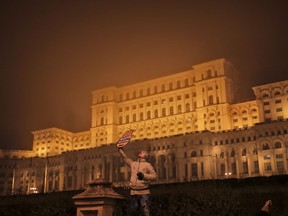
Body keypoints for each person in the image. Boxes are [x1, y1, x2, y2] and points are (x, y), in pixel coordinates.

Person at [118, 147, 157, 216]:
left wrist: (143, 176)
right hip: (133, 192)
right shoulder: (133, 164)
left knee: (146, 211)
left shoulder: (148, 165)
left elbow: (154, 176)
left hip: (144, 192)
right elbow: (125, 158)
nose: (140, 152)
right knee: (134, 211)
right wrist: (120, 150)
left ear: (145, 156)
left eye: (142, 152)